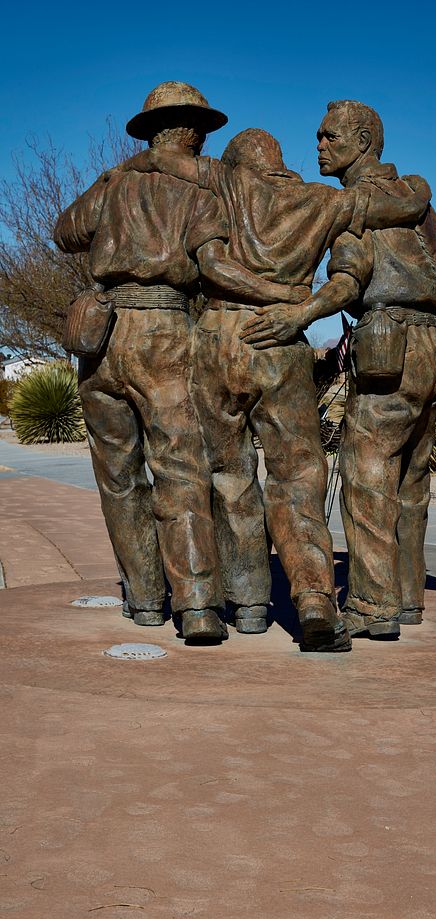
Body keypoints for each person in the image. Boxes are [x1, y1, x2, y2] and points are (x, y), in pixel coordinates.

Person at [120, 128, 431, 650]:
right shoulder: (324, 201)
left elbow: (163, 160)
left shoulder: (222, 181)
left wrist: (122, 171)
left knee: (229, 473)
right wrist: (299, 310)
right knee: (298, 477)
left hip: (220, 337)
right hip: (284, 344)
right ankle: (313, 599)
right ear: (279, 161)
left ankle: (249, 606)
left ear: (237, 160)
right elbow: (351, 276)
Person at [54, 84, 304, 643]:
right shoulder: (204, 186)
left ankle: (144, 599)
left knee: (118, 477)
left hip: (102, 339)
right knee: (182, 469)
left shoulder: (117, 179)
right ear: (195, 131)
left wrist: (113, 181)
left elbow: (66, 230)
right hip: (164, 332)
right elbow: (212, 264)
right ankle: (195, 604)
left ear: (150, 131)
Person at [313, 98, 436, 638]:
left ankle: (373, 605)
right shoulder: (416, 200)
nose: (320, 145)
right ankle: (407, 598)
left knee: (366, 468)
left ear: (363, 143)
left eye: (331, 136)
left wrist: (300, 314)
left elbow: (346, 283)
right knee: (412, 476)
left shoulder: (349, 206)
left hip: (386, 346)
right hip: (430, 344)